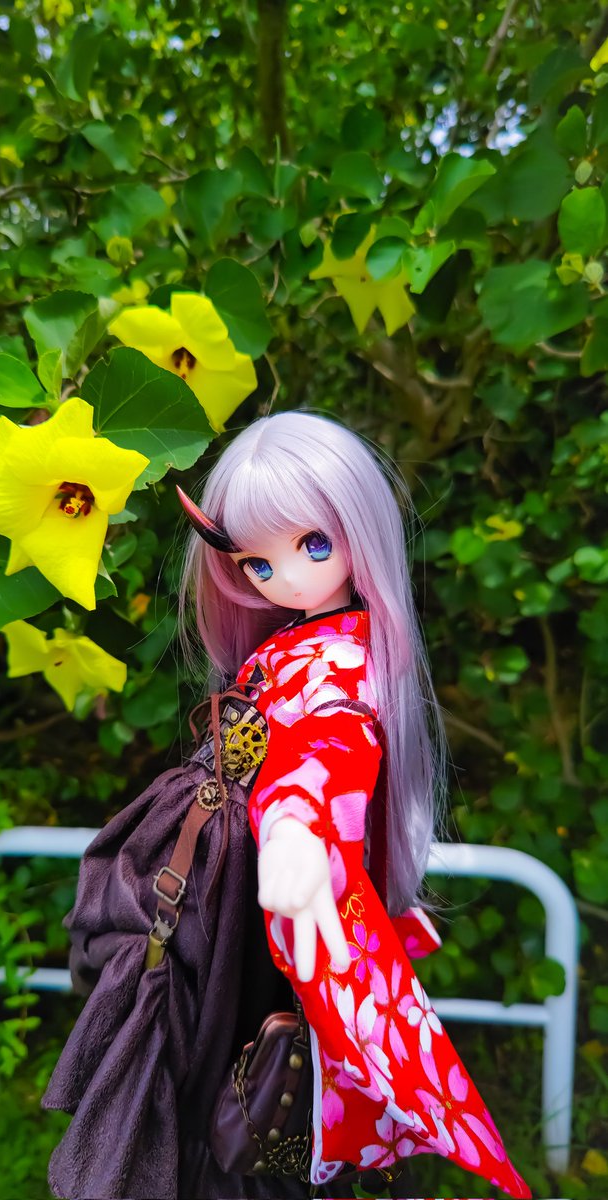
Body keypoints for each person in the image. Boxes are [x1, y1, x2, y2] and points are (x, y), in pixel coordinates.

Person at [175, 409, 531, 1198]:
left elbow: (331, 744)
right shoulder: (282, 648)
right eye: (257, 562)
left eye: (312, 545)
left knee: (287, 1093)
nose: (285, 576)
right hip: (252, 897)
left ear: (358, 533)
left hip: (300, 891)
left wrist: (297, 827)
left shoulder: (344, 660)